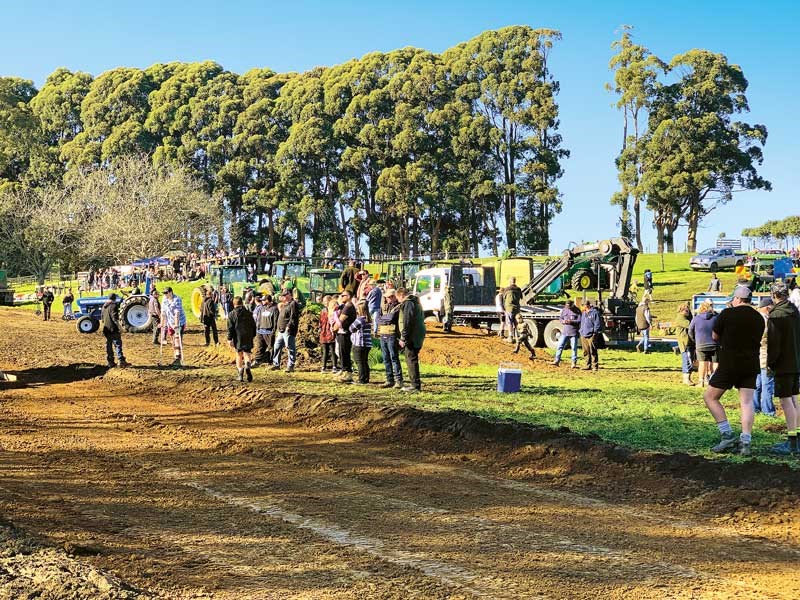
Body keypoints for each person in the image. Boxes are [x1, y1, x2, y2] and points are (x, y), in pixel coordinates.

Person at [703, 285, 765, 456]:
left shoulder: (727, 314)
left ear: (737, 299)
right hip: (751, 363)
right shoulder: (759, 317)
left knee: (710, 397)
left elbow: (715, 336)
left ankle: (727, 434)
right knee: (746, 403)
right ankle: (745, 442)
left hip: (729, 363)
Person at [766, 282, 800, 455]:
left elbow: (774, 344)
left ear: (774, 295)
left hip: (783, 364)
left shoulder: (776, 315)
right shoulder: (795, 311)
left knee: (786, 401)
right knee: (795, 399)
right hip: (796, 361)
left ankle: (792, 442)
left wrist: (771, 364)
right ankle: (797, 437)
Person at [396, 287, 426, 392]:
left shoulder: (408, 303)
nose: (398, 301)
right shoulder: (415, 302)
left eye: (398, 298)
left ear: (401, 295)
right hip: (417, 334)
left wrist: (403, 337)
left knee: (411, 359)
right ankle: (415, 384)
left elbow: (407, 321)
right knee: (412, 358)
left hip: (412, 336)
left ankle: (415, 385)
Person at [753, 297, 776, 417]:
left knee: (756, 384)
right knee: (767, 384)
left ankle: (755, 408)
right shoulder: (767, 321)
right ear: (768, 307)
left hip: (755, 357)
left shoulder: (754, 318)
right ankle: (768, 411)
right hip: (765, 356)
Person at [377, 288, 403, 389]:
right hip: (383, 333)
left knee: (394, 358)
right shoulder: (383, 306)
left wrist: (384, 319)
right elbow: (378, 319)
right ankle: (389, 379)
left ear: (394, 297)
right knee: (385, 358)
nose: (388, 299)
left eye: (389, 297)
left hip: (392, 334)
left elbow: (391, 318)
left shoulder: (398, 306)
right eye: (386, 297)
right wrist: (385, 319)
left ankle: (398, 380)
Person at [227, 296, 257, 382]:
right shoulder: (249, 313)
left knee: (238, 354)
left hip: (238, 337)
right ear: (242, 303)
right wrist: (253, 335)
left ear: (234, 304)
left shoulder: (232, 314)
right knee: (247, 353)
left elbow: (230, 328)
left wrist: (229, 339)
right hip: (248, 336)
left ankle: (240, 373)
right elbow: (253, 325)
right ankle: (247, 366)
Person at [689, 301, 718, 387]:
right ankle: (714, 381)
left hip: (701, 343)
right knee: (715, 362)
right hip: (714, 343)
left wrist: (694, 340)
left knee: (702, 363)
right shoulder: (716, 318)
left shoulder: (696, 318)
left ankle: (701, 381)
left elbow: (690, 330)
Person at [272, 290, 299, 373]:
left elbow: (293, 317)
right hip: (281, 330)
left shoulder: (293, 304)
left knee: (290, 348)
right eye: (282, 295)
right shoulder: (285, 305)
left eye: (285, 295)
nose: (283, 297)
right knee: (277, 346)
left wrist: (288, 326)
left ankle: (291, 366)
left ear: (289, 295)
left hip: (288, 330)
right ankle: (276, 364)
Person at [333, 291, 357, 383]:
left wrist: (334, 328)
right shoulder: (344, 306)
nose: (341, 297)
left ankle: (348, 373)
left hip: (345, 333)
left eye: (343, 295)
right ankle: (344, 370)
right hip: (341, 333)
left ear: (349, 296)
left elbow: (341, 320)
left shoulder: (348, 307)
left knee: (345, 353)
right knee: (342, 353)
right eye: (340, 295)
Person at [101, 294, 129, 368]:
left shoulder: (104, 306)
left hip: (106, 329)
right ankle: (121, 361)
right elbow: (115, 319)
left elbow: (102, 319)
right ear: (114, 299)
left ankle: (110, 362)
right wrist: (120, 328)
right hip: (113, 328)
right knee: (117, 344)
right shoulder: (113, 306)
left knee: (109, 345)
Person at [161, 287, 187, 367]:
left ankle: (178, 358)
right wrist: (162, 323)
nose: (165, 295)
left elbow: (177, 313)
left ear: (171, 292)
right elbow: (163, 312)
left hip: (179, 322)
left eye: (166, 293)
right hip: (170, 322)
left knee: (177, 339)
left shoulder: (177, 299)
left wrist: (176, 324)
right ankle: (176, 356)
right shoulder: (164, 300)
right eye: (164, 293)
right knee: (173, 340)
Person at [552, 300, 581, 368]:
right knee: (560, 346)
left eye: (569, 306)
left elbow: (579, 320)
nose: (568, 307)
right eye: (567, 306)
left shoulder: (577, 310)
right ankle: (556, 360)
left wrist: (571, 321)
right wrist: (563, 321)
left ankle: (573, 363)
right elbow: (561, 318)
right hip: (565, 332)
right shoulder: (564, 310)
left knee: (574, 348)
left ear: (572, 305)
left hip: (573, 332)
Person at [350, 301, 372, 384]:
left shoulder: (359, 319)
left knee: (359, 362)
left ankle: (361, 379)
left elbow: (351, 328)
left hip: (359, 343)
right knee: (364, 361)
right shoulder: (368, 319)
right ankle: (366, 378)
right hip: (367, 344)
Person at [254, 294, 278, 367]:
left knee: (271, 347)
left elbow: (275, 320)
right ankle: (257, 360)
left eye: (263, 300)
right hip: (260, 331)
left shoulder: (274, 309)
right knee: (259, 347)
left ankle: (271, 362)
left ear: (267, 300)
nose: (262, 302)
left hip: (269, 331)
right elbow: (258, 318)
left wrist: (273, 331)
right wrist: (257, 328)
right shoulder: (261, 308)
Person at [579, 300, 603, 371]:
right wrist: (581, 331)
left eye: (583, 305)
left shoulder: (595, 313)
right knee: (585, 351)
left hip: (591, 335)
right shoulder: (583, 313)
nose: (582, 307)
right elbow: (582, 322)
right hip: (583, 334)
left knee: (593, 350)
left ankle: (595, 366)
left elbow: (597, 323)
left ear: (587, 305)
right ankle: (587, 365)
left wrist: (595, 333)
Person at [674, 303, 695, 386]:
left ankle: (688, 377)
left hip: (688, 342)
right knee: (687, 360)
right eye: (686, 310)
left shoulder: (686, 317)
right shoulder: (680, 318)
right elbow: (691, 325)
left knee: (690, 359)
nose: (688, 311)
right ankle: (686, 378)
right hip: (684, 343)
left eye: (688, 310)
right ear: (681, 310)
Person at [319, 296, 336, 372]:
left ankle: (334, 366)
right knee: (325, 350)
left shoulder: (333, 310)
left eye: (326, 301)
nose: (325, 303)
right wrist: (320, 328)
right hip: (324, 332)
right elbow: (320, 321)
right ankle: (323, 367)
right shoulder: (323, 310)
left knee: (333, 350)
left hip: (331, 331)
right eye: (324, 301)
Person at [502, 277, 522, 343]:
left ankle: (510, 337)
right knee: (517, 323)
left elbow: (503, 298)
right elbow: (521, 297)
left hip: (509, 308)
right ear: (515, 281)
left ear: (510, 282)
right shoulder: (519, 289)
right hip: (517, 308)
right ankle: (518, 337)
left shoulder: (507, 289)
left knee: (509, 322)